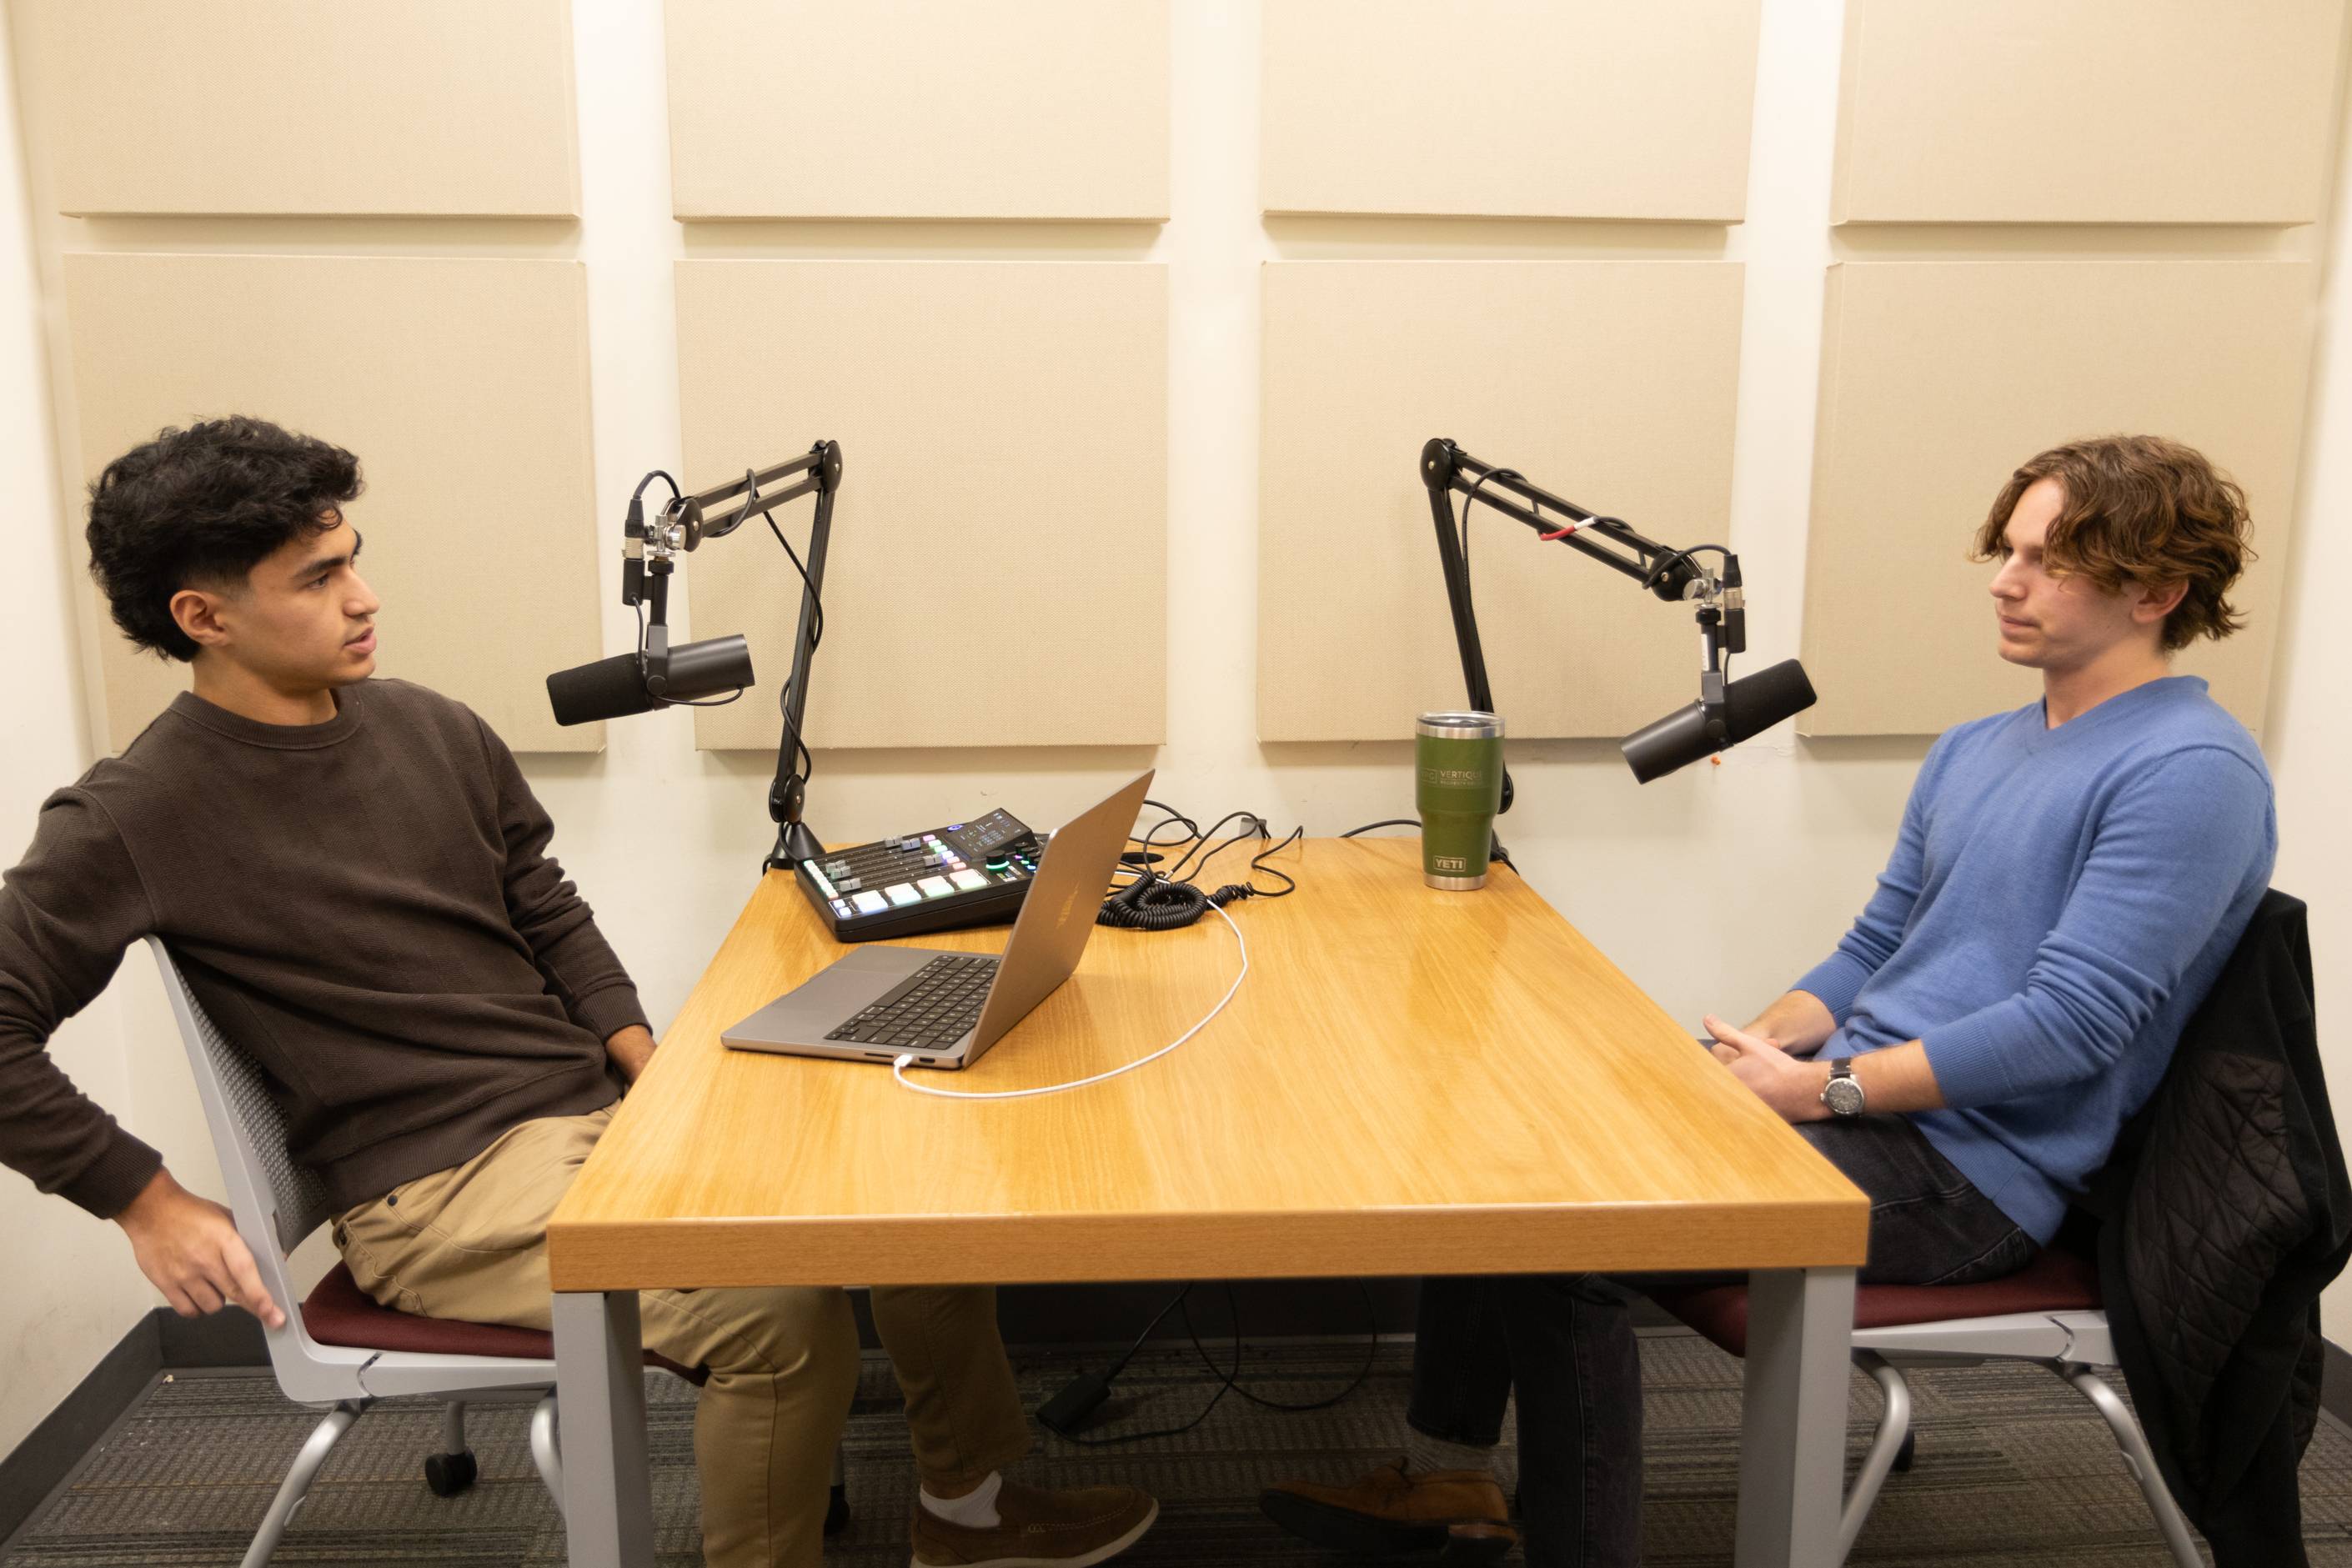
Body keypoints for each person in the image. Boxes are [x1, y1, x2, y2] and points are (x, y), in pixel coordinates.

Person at [0, 416, 1156, 1568]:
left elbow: (541, 904)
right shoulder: (135, 812)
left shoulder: (430, 725)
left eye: (352, 556)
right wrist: (144, 1197)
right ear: (202, 617)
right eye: (318, 576)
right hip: (436, 1194)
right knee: (779, 1320)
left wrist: (650, 1065)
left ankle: (968, 1515)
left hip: (592, 1118)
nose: (364, 596)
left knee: (915, 1206)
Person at [1262, 433, 2279, 1567]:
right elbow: (1875, 945)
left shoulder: (2190, 770)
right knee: (1509, 1148)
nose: (2004, 579)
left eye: (2049, 559)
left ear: (2157, 589)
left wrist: (1820, 1089)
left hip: (1970, 1173)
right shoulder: (1976, 748)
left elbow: (2070, 1024)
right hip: (1860, 1108)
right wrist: (1762, 1044)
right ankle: (1445, 1476)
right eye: (2007, 550)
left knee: (1566, 1239)